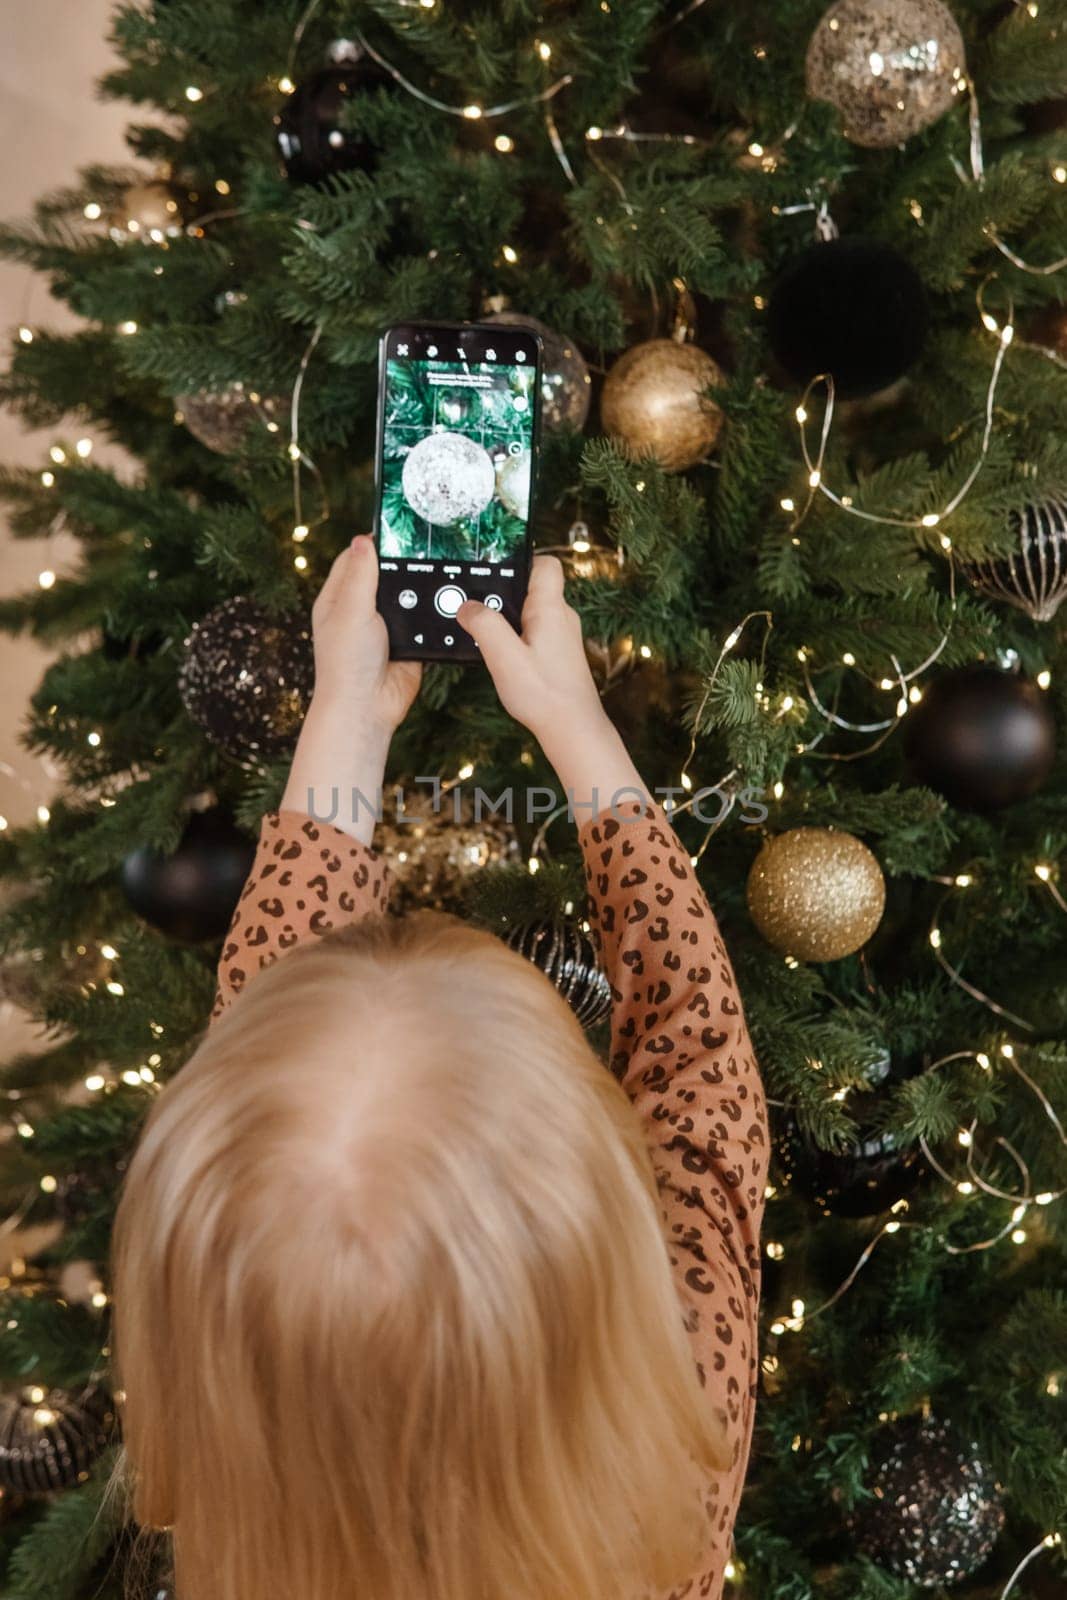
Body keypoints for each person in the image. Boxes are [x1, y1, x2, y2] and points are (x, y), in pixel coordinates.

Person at [110, 536, 769, 1600]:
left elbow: (264, 1087)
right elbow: (699, 1072)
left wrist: (349, 722)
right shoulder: (670, 1462)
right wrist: (574, 724)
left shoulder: (222, 1471)